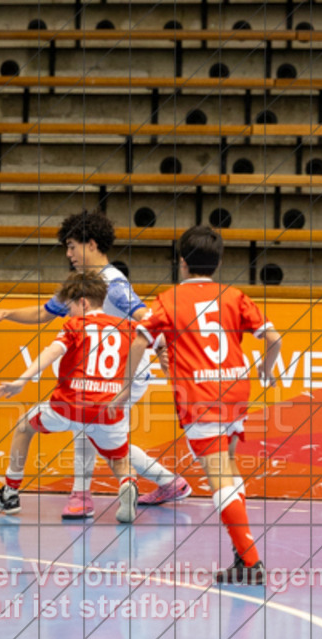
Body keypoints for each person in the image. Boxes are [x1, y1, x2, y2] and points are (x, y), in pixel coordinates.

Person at [0, 211, 190, 519]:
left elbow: (146, 316)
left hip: (125, 373)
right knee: (97, 431)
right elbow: (45, 313)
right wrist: (6, 313)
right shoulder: (83, 285)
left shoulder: (112, 283)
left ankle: (82, 497)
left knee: (86, 424)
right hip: (106, 372)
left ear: (90, 244)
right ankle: (165, 482)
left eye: (72, 246)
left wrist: (165, 347)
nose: (68, 253)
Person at [112, 225, 282, 585]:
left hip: (201, 396)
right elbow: (273, 337)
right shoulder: (234, 296)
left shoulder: (169, 299)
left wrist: (125, 390)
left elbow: (139, 343)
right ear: (218, 263)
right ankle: (242, 554)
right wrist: (267, 370)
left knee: (219, 474)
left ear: (182, 263)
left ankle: (251, 563)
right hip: (237, 392)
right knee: (229, 467)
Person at [0, 271, 139, 523]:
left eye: (69, 306)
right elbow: (156, 343)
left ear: (82, 302)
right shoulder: (128, 327)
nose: (68, 312)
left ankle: (11, 492)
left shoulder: (74, 325)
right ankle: (127, 483)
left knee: (24, 428)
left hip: (66, 407)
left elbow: (51, 352)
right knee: (120, 462)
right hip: (107, 409)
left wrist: (22, 380)